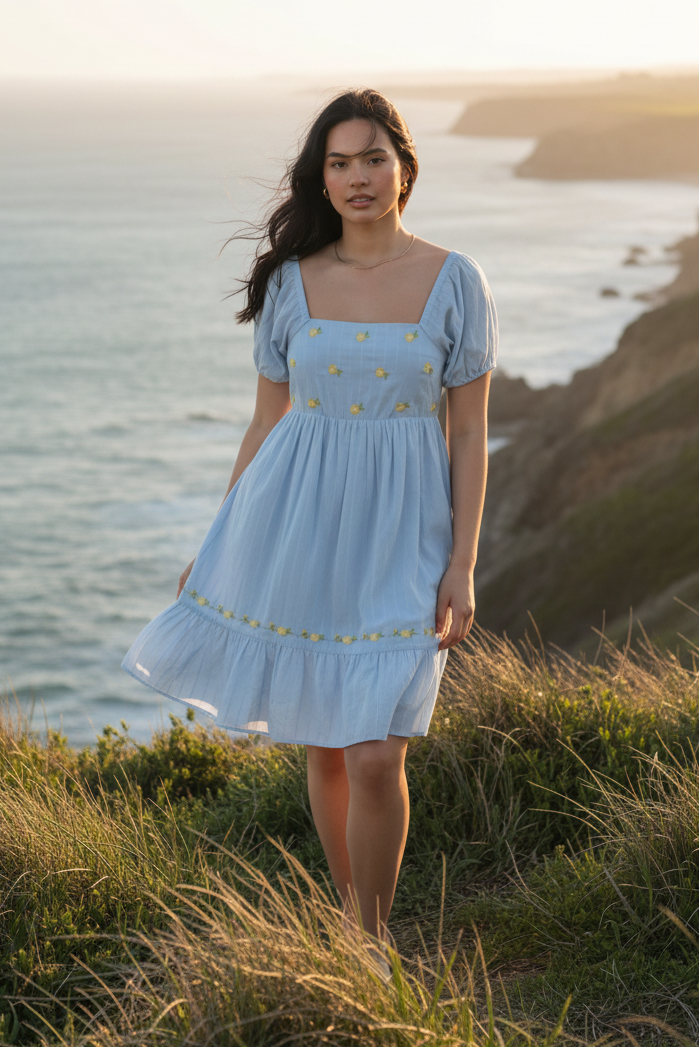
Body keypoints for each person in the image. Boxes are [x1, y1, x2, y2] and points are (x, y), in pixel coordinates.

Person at [122, 88, 497, 951]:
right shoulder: (292, 282)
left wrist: (462, 563)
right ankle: (355, 936)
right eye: (338, 162)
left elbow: (469, 432)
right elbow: (266, 420)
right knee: (324, 746)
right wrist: (219, 540)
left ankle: (369, 941)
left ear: (403, 168)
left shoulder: (454, 281)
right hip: (296, 523)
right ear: (320, 180)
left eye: (373, 158)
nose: (357, 177)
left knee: (374, 751)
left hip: (405, 535)